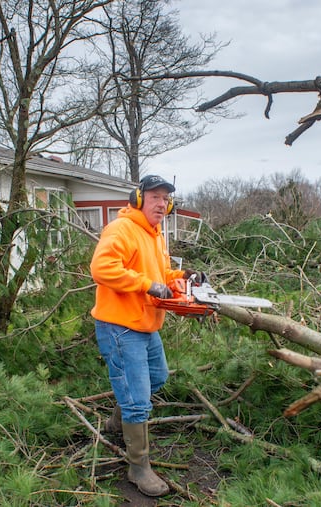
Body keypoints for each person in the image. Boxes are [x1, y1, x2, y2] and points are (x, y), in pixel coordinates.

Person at [90, 174, 200, 497]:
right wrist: (145, 284)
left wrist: (182, 276)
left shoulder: (154, 234)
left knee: (159, 376)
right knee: (138, 401)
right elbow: (101, 268)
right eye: (155, 198)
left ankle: (115, 422)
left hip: (145, 325)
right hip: (120, 326)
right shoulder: (121, 229)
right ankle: (138, 467)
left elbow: (162, 274)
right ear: (138, 198)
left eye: (165, 200)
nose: (161, 204)